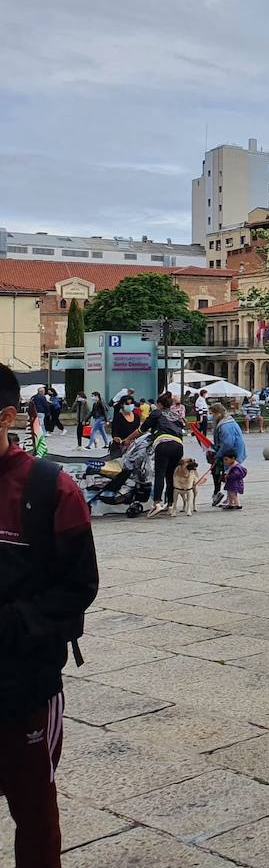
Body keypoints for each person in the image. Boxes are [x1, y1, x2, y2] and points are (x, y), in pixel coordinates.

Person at [0, 364, 100, 868]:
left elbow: (79, 586)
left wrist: (16, 624)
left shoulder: (50, 489)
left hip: (25, 684)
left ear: (7, 418)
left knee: (34, 810)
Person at [144, 393, 186, 516]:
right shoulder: (176, 416)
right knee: (170, 475)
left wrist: (129, 439)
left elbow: (142, 429)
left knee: (160, 474)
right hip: (178, 446)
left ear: (160, 404)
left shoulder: (157, 413)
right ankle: (171, 504)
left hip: (163, 445)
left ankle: (156, 503)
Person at [208, 403, 246, 507]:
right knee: (229, 477)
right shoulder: (228, 422)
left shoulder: (225, 426)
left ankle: (233, 501)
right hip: (234, 452)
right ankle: (230, 500)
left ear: (218, 414)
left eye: (212, 414)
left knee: (230, 478)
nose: (211, 417)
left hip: (231, 455)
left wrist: (218, 454)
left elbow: (228, 443)